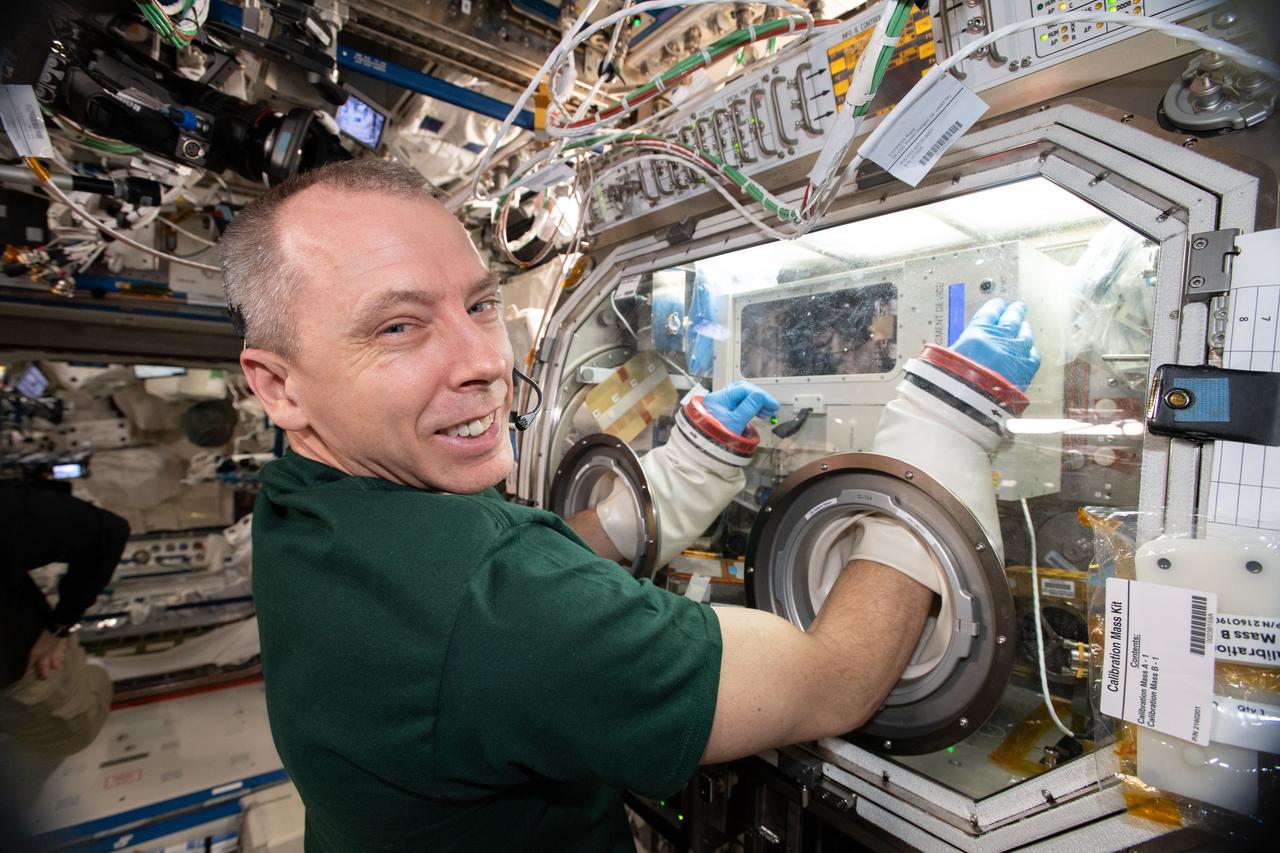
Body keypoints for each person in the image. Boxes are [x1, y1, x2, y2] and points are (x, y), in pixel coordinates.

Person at [220, 159, 1038, 852]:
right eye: (397, 327)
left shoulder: (306, 498)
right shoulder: (500, 606)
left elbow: (499, 573)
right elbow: (833, 682)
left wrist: (677, 480)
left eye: (477, 304)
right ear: (278, 384)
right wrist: (941, 432)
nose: (481, 362)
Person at [0, 482, 128, 757]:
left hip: (25, 675)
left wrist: (60, 626)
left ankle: (93, 671)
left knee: (72, 733)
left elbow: (108, 533)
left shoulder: (8, 516)